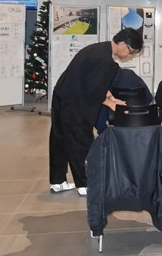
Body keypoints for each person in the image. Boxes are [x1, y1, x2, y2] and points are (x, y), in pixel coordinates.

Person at [49, 28, 141, 196]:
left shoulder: (99, 50)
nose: (129, 55)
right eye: (131, 51)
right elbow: (93, 89)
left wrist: (111, 97)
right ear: (122, 44)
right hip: (75, 102)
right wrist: (110, 103)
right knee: (80, 140)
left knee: (59, 139)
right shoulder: (103, 60)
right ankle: (85, 184)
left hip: (62, 95)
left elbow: (96, 83)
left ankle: (58, 181)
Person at [95, 67, 153, 133]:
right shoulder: (131, 73)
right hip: (138, 121)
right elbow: (149, 98)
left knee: (101, 104)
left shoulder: (105, 81)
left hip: (115, 120)